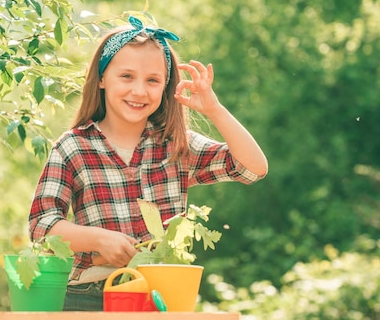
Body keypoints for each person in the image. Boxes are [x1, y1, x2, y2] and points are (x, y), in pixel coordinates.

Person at [28, 16, 268, 311]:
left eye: (152, 80)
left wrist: (214, 110)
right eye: (126, 76)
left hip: (161, 296)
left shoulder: (176, 144)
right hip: (90, 296)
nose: (139, 91)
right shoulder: (73, 147)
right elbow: (41, 227)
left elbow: (252, 168)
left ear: (166, 87)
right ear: (102, 78)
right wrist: (99, 239)